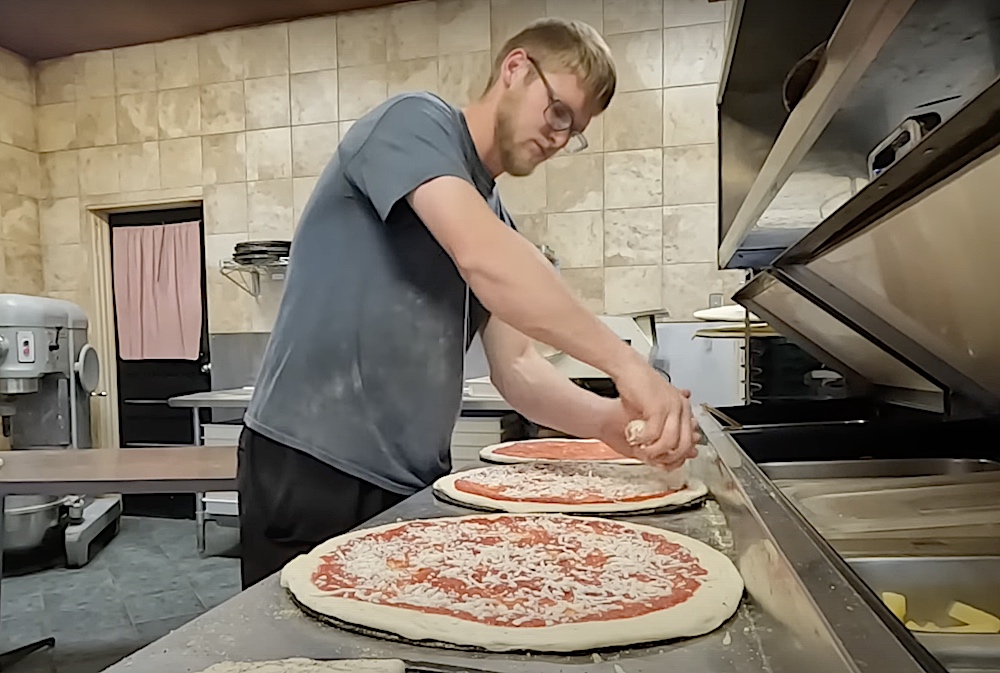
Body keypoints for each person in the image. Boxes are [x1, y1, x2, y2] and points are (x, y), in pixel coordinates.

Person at [238, 17, 700, 588]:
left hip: (407, 481)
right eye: (558, 111)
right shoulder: (412, 122)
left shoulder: (495, 215)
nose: (560, 136)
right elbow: (483, 258)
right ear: (515, 69)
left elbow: (520, 369)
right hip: (311, 463)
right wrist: (631, 368)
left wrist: (607, 421)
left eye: (575, 129)